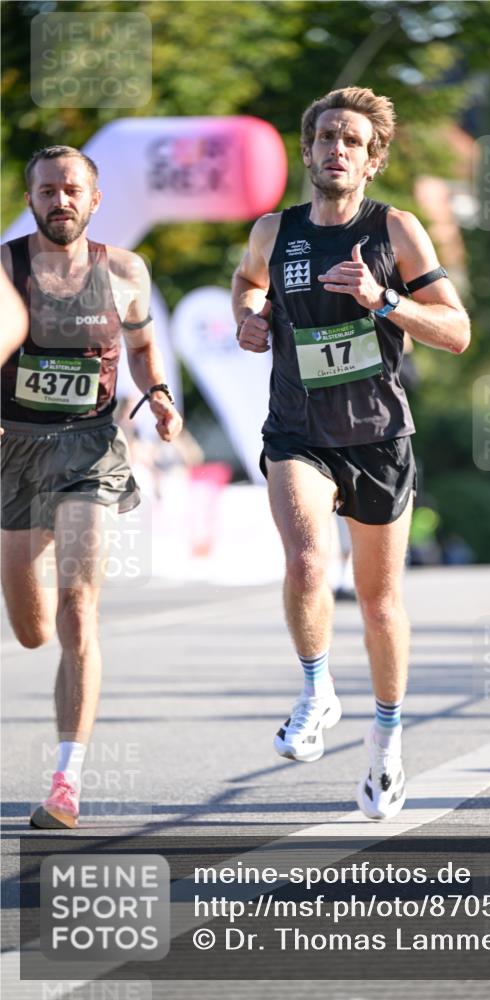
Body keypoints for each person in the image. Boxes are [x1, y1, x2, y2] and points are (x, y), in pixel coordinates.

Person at [232, 87, 470, 820]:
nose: (336, 148)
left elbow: (456, 332)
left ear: (372, 159)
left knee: (378, 601)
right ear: (307, 152)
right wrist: (247, 313)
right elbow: (248, 282)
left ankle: (387, 743)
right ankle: (314, 692)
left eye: (350, 141)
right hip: (297, 431)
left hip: (376, 436)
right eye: (325, 137)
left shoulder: (394, 231)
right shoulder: (274, 230)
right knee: (307, 560)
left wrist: (383, 300)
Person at [1, 145, 183, 829]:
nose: (60, 200)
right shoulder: (7, 269)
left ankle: (66, 781)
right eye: (46, 190)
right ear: (31, 200)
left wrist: (159, 394)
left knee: (79, 609)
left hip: (89, 448)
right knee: (30, 629)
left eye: (71, 189)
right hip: (13, 451)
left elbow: (140, 349)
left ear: (94, 199)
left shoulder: (125, 270)